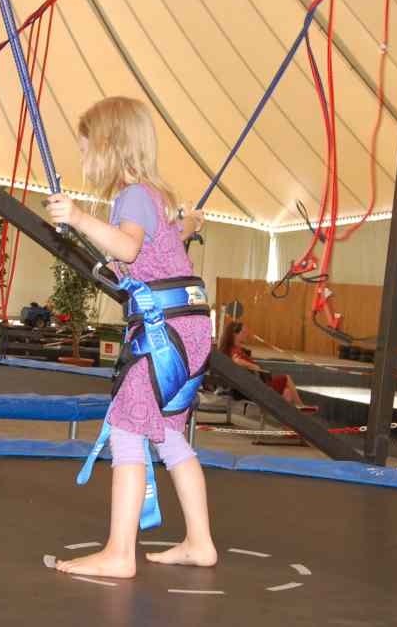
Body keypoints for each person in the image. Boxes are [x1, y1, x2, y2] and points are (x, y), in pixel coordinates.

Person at [45, 97, 216, 579]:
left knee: (126, 427)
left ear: (109, 146)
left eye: (85, 148)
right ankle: (200, 542)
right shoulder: (154, 197)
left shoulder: (133, 196)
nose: (82, 157)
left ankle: (120, 553)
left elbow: (128, 246)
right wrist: (190, 225)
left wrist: (78, 217)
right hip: (190, 327)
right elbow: (168, 241)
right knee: (170, 435)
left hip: (165, 332)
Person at [218, 320, 307, 408]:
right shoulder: (235, 352)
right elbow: (237, 361)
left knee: (287, 392)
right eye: (244, 332)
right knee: (286, 378)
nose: (246, 334)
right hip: (254, 389)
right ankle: (301, 406)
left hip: (251, 386)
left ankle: (286, 414)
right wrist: (253, 366)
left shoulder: (234, 350)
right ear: (235, 334)